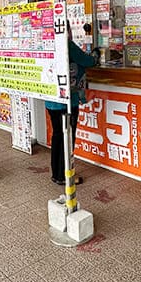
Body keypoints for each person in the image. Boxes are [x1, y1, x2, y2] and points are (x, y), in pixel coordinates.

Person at [45, 25, 100, 186]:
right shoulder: (67, 44)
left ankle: (56, 173)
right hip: (67, 101)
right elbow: (88, 61)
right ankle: (65, 175)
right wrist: (96, 54)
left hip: (51, 98)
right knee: (67, 137)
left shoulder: (47, 44)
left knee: (57, 136)